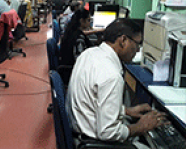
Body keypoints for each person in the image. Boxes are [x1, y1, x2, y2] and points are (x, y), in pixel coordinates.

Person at [66, 19, 166, 149]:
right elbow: (108, 133)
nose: (137, 50)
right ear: (123, 40)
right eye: (137, 44)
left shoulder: (88, 54)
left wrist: (126, 111)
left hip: (79, 131)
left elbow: (93, 101)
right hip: (93, 143)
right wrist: (140, 127)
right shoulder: (111, 75)